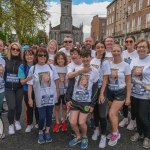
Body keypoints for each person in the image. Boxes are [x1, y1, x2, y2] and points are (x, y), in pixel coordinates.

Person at [66, 49, 98, 149]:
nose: (85, 59)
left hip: (86, 102)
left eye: (87, 57)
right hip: (75, 100)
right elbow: (70, 85)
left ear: (90, 58)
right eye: (83, 57)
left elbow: (95, 89)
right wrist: (68, 99)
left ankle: (84, 137)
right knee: (72, 122)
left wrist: (92, 104)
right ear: (81, 57)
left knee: (81, 122)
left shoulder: (95, 71)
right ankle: (78, 136)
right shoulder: (76, 68)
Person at [28, 47, 59, 144]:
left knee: (49, 115)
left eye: (44, 55)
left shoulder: (51, 67)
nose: (42, 57)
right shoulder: (33, 69)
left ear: (47, 56)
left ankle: (47, 131)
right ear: (36, 56)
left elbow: (56, 80)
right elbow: (30, 85)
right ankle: (41, 131)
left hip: (50, 96)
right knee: (41, 117)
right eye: (40, 55)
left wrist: (57, 92)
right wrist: (30, 98)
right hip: (39, 97)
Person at [107, 44, 131, 146]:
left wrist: (128, 97)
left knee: (112, 113)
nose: (116, 53)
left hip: (120, 92)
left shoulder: (126, 65)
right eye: (114, 51)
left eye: (118, 51)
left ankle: (115, 134)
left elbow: (128, 82)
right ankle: (115, 130)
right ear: (111, 52)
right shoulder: (108, 64)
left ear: (121, 52)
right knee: (113, 114)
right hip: (109, 91)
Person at [130, 39, 150, 149]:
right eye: (139, 47)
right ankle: (139, 132)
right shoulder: (134, 60)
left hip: (146, 94)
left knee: (143, 116)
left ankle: (147, 137)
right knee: (137, 115)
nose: (141, 48)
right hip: (134, 93)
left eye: (144, 47)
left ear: (148, 48)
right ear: (136, 48)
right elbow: (130, 75)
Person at [90, 41, 111, 148]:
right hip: (93, 90)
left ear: (104, 49)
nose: (100, 49)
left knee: (102, 114)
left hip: (102, 89)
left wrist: (102, 93)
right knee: (95, 112)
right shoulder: (92, 60)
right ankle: (97, 129)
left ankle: (103, 135)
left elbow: (105, 79)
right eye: (98, 47)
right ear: (95, 48)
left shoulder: (106, 62)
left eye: (102, 47)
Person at [119, 35, 138, 130]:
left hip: (135, 81)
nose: (129, 43)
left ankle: (133, 120)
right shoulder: (122, 53)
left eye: (131, 41)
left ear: (134, 42)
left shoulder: (137, 53)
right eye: (127, 41)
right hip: (124, 81)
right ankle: (125, 118)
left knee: (133, 101)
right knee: (124, 101)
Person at [4, 42, 23, 135]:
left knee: (19, 107)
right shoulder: (5, 59)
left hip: (19, 87)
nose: (15, 51)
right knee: (11, 107)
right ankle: (11, 125)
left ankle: (17, 121)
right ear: (10, 49)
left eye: (17, 49)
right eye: (13, 49)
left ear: (20, 51)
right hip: (8, 88)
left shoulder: (22, 61)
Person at [18, 48, 39, 133]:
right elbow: (22, 82)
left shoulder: (38, 65)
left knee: (38, 107)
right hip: (27, 90)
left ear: (34, 56)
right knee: (29, 107)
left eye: (31, 54)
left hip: (37, 90)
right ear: (24, 56)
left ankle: (38, 123)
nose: (29, 56)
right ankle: (29, 124)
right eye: (27, 55)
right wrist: (28, 79)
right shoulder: (22, 66)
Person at [53, 51, 68, 132]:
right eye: (58, 59)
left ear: (65, 59)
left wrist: (65, 80)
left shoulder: (67, 67)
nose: (60, 60)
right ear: (56, 59)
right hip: (57, 91)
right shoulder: (53, 67)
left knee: (65, 107)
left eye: (62, 58)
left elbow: (70, 79)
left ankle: (64, 121)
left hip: (65, 91)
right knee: (57, 107)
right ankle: (57, 122)